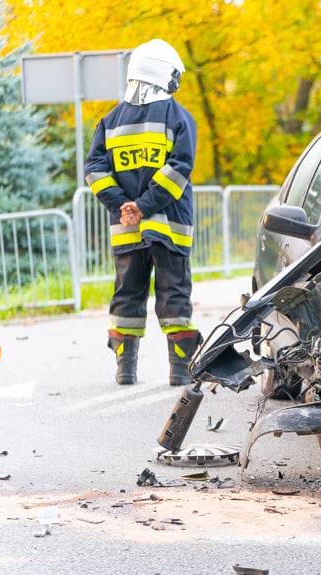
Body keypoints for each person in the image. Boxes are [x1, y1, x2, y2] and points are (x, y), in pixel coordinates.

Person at [84, 39, 201, 386]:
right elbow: (180, 168)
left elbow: (94, 168)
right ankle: (179, 371)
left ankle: (125, 369)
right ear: (164, 74)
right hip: (169, 225)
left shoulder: (110, 120)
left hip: (126, 227)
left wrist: (122, 204)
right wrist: (144, 205)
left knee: (127, 293)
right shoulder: (178, 116)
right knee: (174, 291)